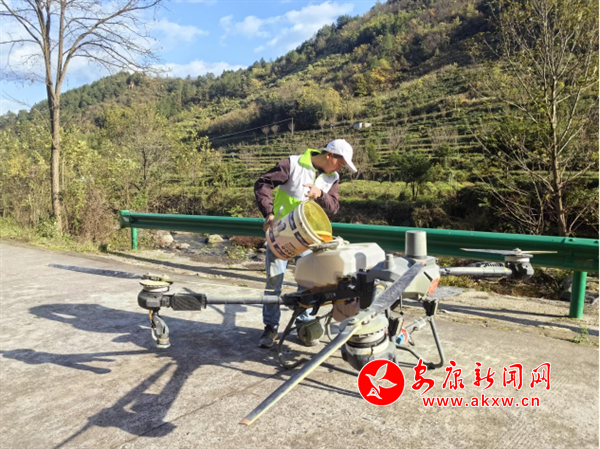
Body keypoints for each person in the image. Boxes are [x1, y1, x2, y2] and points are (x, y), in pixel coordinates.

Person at [254, 139, 358, 348]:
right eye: (340, 163)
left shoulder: (333, 178)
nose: (340, 168)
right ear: (330, 155)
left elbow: (333, 207)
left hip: (310, 239)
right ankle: (270, 328)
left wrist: (320, 194)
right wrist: (269, 212)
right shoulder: (293, 164)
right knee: (274, 282)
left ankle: (303, 324)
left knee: (308, 284)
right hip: (281, 235)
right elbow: (263, 183)